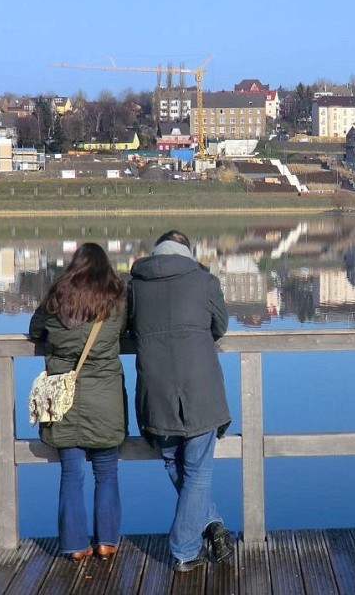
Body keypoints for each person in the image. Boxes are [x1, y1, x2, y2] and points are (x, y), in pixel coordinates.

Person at [128, 230, 233, 572]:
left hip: (156, 388)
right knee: (198, 470)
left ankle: (211, 523)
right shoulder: (204, 281)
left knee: (174, 461)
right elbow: (221, 325)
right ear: (188, 251)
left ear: (155, 252)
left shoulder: (135, 286)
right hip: (200, 384)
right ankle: (185, 549)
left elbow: (125, 331)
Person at [29, 243, 127, 562]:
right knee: (107, 472)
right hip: (106, 398)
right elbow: (124, 329)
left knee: (71, 474)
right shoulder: (117, 296)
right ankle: (107, 541)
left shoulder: (57, 295)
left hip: (61, 399)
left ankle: (74, 545)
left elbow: (35, 330)